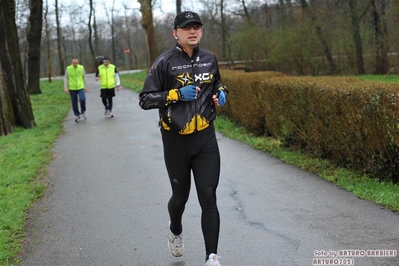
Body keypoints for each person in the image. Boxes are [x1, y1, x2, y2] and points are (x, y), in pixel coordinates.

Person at [139, 11, 228, 266]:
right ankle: (175, 229)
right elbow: (145, 99)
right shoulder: (164, 62)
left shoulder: (210, 58)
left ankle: (211, 257)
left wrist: (221, 93)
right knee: (181, 197)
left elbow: (217, 83)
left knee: (208, 196)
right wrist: (176, 95)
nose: (193, 32)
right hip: (176, 140)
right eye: (187, 28)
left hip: (205, 138)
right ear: (175, 33)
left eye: (197, 27)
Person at [64, 57, 88, 122]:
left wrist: (85, 86)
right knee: (74, 102)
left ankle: (83, 111)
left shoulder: (81, 67)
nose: (75, 64)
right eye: (74, 63)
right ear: (72, 62)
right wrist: (65, 87)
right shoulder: (68, 68)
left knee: (82, 99)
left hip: (80, 86)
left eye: (76, 63)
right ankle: (77, 114)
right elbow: (66, 78)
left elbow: (84, 77)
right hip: (72, 87)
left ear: (78, 62)